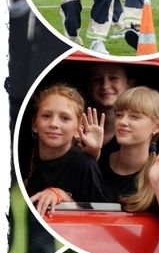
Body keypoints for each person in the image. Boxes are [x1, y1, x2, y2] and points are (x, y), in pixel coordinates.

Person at [98, 86, 159, 244]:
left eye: (134, 117)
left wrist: (158, 184)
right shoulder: (97, 163)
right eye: (119, 115)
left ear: (156, 127)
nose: (123, 122)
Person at [23, 84, 108, 217]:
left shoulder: (85, 164)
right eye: (46, 116)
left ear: (78, 130)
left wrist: (63, 196)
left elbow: (100, 217)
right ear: (34, 124)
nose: (53, 124)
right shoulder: (20, 157)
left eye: (65, 118)